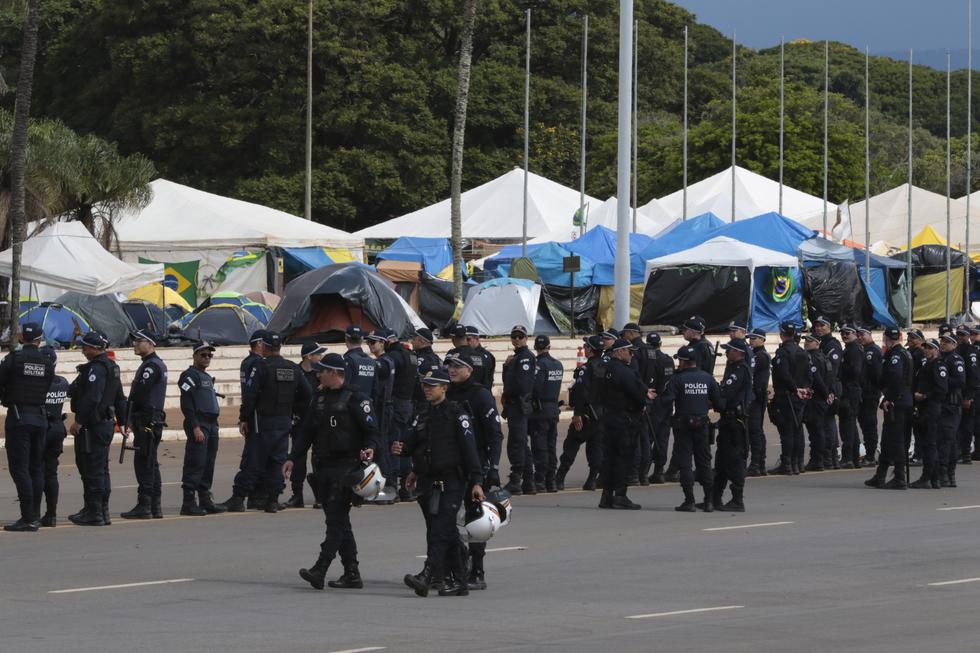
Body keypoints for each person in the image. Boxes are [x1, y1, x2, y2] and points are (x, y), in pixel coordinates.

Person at [286, 353, 380, 591]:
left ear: (336, 373)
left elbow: (372, 430)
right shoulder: (318, 398)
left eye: (323, 371)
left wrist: (370, 448)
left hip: (346, 467)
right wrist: (292, 458)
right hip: (322, 467)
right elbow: (306, 431)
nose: (318, 374)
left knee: (336, 521)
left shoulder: (357, 399)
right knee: (338, 521)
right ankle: (352, 572)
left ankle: (321, 567)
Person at [393, 369, 485, 598]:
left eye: (432, 385)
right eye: (425, 385)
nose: (427, 389)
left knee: (440, 529)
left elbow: (469, 450)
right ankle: (460, 581)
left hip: (452, 480)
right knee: (444, 531)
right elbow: (415, 444)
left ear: (444, 388)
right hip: (428, 481)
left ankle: (428, 574)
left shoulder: (457, 414)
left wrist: (477, 481)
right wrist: (402, 452)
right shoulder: (423, 414)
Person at [223, 331, 312, 512]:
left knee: (253, 459)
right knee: (277, 461)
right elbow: (307, 393)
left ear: (263, 346)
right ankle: (272, 499)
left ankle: (239, 497)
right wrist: (292, 409)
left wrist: (244, 418)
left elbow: (250, 395)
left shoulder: (261, 367)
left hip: (262, 421)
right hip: (284, 421)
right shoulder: (292, 368)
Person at [445, 353, 503, 590]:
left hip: (475, 465)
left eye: (458, 366)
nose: (452, 369)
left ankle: (476, 570)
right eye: (450, 365)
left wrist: (493, 467)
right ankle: (450, 566)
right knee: (445, 519)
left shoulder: (480, 395)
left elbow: (495, 434)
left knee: (475, 520)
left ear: (469, 370)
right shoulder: (445, 392)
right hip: (449, 464)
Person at [68, 331, 127, 526]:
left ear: (94, 348)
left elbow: (93, 398)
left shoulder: (97, 369)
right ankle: (101, 510)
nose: (83, 351)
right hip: (105, 424)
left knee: (91, 469)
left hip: (93, 425)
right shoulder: (111, 367)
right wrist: (124, 421)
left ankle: (94, 512)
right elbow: (119, 397)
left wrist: (79, 421)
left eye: (85, 347)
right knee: (101, 469)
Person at [0, 323, 55, 531]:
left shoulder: (13, 360)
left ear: (21, 337)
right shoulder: (47, 362)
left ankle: (29, 517)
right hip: (40, 419)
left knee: (20, 469)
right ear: (40, 339)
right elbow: (47, 385)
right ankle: (35, 514)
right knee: (36, 468)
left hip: (19, 418)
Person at [662, 345, 722, 512]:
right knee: (704, 462)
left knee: (685, 463)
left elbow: (667, 399)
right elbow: (719, 403)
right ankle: (709, 501)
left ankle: (689, 501)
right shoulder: (707, 378)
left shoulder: (677, 379)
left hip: (684, 426)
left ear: (684, 361)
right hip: (702, 424)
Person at [120, 330, 169, 520]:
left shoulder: (151, 366)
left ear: (150, 343)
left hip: (147, 419)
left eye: (138, 341)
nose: (134, 344)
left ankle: (145, 504)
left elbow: (139, 394)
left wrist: (129, 417)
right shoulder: (153, 364)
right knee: (150, 462)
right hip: (150, 418)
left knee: (144, 462)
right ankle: (155, 505)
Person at [597, 339, 651, 510]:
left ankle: (607, 496)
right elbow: (638, 393)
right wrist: (643, 402)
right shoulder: (625, 371)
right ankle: (620, 495)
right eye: (629, 351)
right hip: (625, 420)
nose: (632, 354)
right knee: (623, 458)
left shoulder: (606, 368)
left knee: (610, 458)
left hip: (610, 417)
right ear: (620, 352)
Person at [177, 342, 227, 516]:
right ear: (195, 355)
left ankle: (205, 498)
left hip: (212, 424)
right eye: (203, 355)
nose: (207, 358)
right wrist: (195, 426)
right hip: (200, 423)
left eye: (209, 355)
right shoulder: (189, 376)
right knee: (195, 461)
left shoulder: (205, 376)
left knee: (208, 463)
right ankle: (188, 502)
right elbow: (187, 403)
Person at [866, 328, 914, 489]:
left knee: (896, 440)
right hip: (902, 399)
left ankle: (899, 477)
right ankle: (881, 475)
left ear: (886, 339)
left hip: (897, 402)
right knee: (887, 440)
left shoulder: (896, 355)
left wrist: (890, 398)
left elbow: (896, 378)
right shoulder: (903, 353)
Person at [556, 336, 604, 491]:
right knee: (596, 448)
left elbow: (581, 392)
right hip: (601, 415)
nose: (584, 348)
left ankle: (559, 478)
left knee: (571, 445)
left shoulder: (586, 369)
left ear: (591, 349)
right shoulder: (607, 366)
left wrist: (577, 414)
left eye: (586, 345)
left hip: (586, 414)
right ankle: (591, 480)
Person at [282, 342, 326, 509]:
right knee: (297, 458)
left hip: (318, 422)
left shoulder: (320, 373)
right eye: (318, 354)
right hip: (300, 422)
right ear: (309, 356)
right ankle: (297, 495)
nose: (320, 357)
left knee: (319, 457)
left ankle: (321, 495)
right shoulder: (296, 372)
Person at [712, 339, 753, 512]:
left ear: (739, 353)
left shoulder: (740, 370)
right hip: (727, 422)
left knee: (735, 461)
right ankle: (715, 498)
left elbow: (725, 393)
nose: (727, 353)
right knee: (721, 461)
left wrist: (714, 394)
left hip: (735, 423)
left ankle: (737, 500)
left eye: (729, 350)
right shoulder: (733, 369)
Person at [768, 322, 812, 476]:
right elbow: (809, 374)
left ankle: (788, 464)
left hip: (787, 396)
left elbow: (784, 375)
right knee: (797, 430)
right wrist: (804, 389)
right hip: (800, 396)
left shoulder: (783, 353)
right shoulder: (802, 351)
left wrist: (794, 389)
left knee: (788, 432)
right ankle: (797, 463)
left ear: (782, 333)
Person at [502, 324, 537, 495]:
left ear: (526, 338)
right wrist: (506, 366)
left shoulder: (524, 358)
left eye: (520, 336)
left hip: (518, 404)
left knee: (517, 443)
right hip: (514, 404)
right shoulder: (516, 358)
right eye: (514, 336)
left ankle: (517, 479)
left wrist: (509, 395)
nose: (516, 339)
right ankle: (528, 480)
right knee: (521, 443)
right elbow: (509, 380)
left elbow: (522, 385)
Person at [386, 332, 419, 501]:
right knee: (404, 444)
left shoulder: (391, 357)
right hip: (408, 404)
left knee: (394, 444)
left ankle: (392, 485)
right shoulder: (412, 356)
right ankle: (407, 488)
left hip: (396, 403)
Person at [910, 339, 947, 489]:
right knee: (928, 444)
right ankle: (934, 478)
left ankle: (927, 477)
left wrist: (925, 396)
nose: (926, 350)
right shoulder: (926, 365)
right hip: (924, 409)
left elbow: (942, 390)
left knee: (930, 444)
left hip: (932, 408)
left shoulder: (938, 365)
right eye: (925, 347)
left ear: (936, 350)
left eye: (930, 348)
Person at [39, 346, 69, 527]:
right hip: (57, 428)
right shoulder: (63, 382)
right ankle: (51, 514)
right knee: (51, 474)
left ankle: (33, 513)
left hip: (42, 428)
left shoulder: (37, 384)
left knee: (35, 472)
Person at [366, 330, 398, 504]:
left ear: (383, 343)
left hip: (382, 408)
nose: (370, 345)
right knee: (381, 447)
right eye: (369, 342)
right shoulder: (386, 361)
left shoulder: (384, 362)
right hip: (382, 407)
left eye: (373, 342)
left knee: (381, 449)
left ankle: (388, 488)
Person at [529, 335, 563, 492]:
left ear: (536, 347)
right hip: (553, 409)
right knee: (551, 446)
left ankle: (540, 480)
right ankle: (552, 480)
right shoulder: (558, 364)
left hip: (540, 411)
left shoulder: (539, 365)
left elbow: (535, 388)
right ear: (549, 346)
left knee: (540, 446)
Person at [240, 330, 268, 510]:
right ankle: (252, 494)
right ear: (259, 344)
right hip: (257, 415)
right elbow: (252, 392)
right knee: (256, 456)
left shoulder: (246, 362)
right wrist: (245, 416)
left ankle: (254, 494)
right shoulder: (256, 364)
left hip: (250, 413)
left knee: (254, 455)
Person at [622, 322, 653, 486]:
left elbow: (634, 377)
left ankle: (634, 474)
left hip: (638, 397)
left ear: (632, 333)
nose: (624, 336)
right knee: (645, 438)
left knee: (636, 439)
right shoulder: (650, 350)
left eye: (625, 333)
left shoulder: (635, 351)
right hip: (649, 395)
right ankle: (644, 474)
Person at [813, 316, 843, 468]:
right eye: (817, 326)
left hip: (830, 387)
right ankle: (829, 458)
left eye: (822, 326)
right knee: (825, 424)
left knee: (828, 423)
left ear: (829, 327)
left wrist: (829, 392)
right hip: (824, 388)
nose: (819, 328)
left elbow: (833, 370)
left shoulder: (832, 345)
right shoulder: (822, 343)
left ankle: (831, 457)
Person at [645, 332, 674, 484]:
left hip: (654, 401)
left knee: (648, 438)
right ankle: (659, 471)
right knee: (662, 438)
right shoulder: (668, 360)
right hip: (667, 401)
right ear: (660, 344)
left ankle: (643, 471)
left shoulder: (651, 361)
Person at [802, 334, 833, 471]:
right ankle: (824, 458)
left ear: (817, 343)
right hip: (821, 397)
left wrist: (826, 394)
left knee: (816, 431)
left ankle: (817, 460)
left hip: (816, 398)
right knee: (820, 429)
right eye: (806, 341)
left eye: (810, 341)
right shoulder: (823, 356)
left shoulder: (813, 358)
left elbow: (817, 379)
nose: (806, 343)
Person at [938, 334, 965, 487]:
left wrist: (942, 381)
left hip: (951, 404)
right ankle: (945, 474)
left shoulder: (955, 360)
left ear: (954, 345)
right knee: (944, 440)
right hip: (942, 404)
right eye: (942, 341)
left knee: (948, 440)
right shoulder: (941, 359)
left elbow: (961, 380)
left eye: (947, 342)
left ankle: (948, 474)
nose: (943, 344)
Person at [838, 325, 865, 468]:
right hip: (849, 390)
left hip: (850, 391)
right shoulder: (849, 349)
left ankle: (848, 457)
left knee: (847, 425)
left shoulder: (854, 349)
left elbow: (855, 371)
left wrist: (840, 368)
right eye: (842, 333)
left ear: (855, 334)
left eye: (847, 333)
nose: (844, 335)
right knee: (849, 425)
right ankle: (854, 457)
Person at [746, 329, 771, 476]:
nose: (751, 341)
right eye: (750, 338)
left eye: (754, 338)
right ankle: (758, 462)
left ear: (762, 340)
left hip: (757, 398)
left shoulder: (761, 356)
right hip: (753, 397)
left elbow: (758, 381)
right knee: (754, 431)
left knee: (755, 431)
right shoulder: (753, 354)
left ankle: (757, 463)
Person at [858, 327, 883, 466]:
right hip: (863, 394)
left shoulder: (873, 351)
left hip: (870, 394)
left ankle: (870, 455)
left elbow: (877, 375)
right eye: (858, 335)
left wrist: (876, 391)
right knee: (864, 424)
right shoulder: (862, 350)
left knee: (869, 425)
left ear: (869, 334)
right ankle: (869, 453)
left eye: (862, 334)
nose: (860, 337)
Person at [956, 326, 979, 464]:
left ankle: (965, 453)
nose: (960, 337)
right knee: (958, 425)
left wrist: (969, 396)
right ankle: (959, 451)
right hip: (957, 394)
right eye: (958, 334)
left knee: (967, 424)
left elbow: (974, 376)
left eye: (963, 335)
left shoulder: (971, 352)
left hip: (967, 394)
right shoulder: (956, 350)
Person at [906, 329, 927, 464]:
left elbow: (923, 375)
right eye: (910, 337)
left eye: (914, 338)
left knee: (920, 427)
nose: (911, 340)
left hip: (918, 395)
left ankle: (920, 455)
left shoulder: (921, 354)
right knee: (914, 426)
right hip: (911, 393)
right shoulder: (909, 352)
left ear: (920, 340)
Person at [343, 325, 380, 401]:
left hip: (350, 407)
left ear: (346, 338)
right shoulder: (372, 361)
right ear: (362, 339)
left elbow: (344, 386)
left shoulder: (349, 360)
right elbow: (375, 389)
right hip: (367, 407)